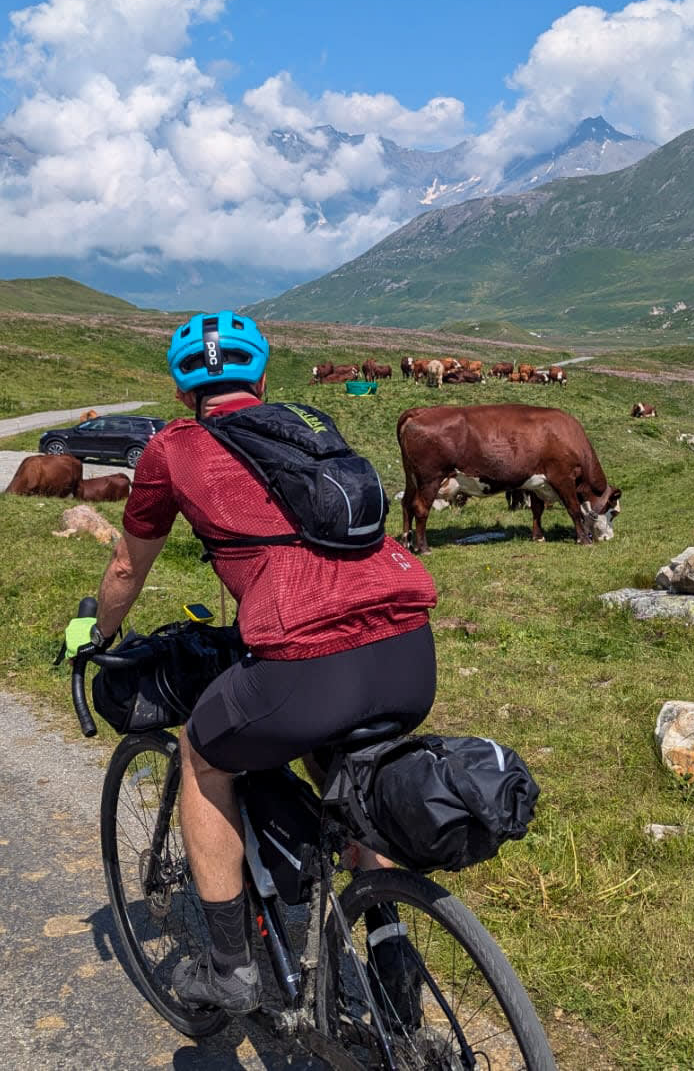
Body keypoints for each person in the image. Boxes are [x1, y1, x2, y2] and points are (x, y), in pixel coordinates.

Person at [78, 311, 438, 1013]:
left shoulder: (174, 446)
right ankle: (394, 958)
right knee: (350, 782)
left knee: (201, 754)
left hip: (305, 658)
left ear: (183, 393)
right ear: (264, 380)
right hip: (407, 647)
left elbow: (126, 567)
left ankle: (229, 969)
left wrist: (95, 633)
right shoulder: (309, 426)